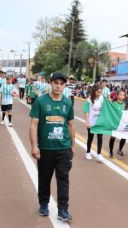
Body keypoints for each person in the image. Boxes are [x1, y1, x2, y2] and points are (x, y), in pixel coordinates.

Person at [29, 72, 74, 222]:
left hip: (63, 148)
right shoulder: (40, 102)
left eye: (62, 84)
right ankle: (43, 204)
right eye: (56, 83)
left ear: (65, 85)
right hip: (46, 149)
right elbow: (33, 125)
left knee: (63, 179)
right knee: (44, 178)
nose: (58, 86)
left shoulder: (68, 103)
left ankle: (63, 209)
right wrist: (34, 145)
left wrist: (72, 146)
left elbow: (71, 125)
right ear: (51, 83)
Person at [83, 84, 104, 162]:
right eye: (98, 92)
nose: (99, 94)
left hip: (99, 122)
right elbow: (86, 111)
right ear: (94, 91)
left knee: (100, 137)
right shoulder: (89, 100)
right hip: (91, 122)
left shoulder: (102, 98)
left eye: (101, 92)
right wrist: (87, 121)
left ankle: (99, 154)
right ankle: (88, 152)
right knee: (90, 137)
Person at [108, 90, 127, 158]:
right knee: (113, 137)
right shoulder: (114, 104)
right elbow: (111, 113)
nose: (122, 96)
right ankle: (111, 152)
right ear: (117, 95)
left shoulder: (124, 104)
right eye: (121, 95)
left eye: (123, 95)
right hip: (115, 124)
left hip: (122, 124)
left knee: (124, 137)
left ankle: (120, 150)